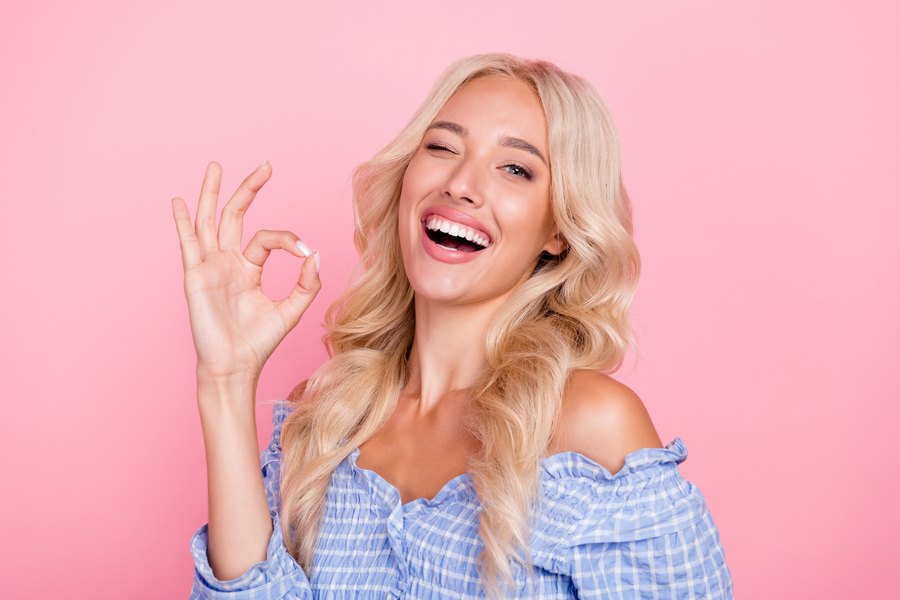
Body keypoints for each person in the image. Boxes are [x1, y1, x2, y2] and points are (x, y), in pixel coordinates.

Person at [172, 53, 734, 599]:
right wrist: (225, 381)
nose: (461, 183)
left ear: (558, 230)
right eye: (442, 147)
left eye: (516, 169)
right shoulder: (325, 421)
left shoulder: (592, 429)